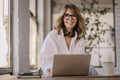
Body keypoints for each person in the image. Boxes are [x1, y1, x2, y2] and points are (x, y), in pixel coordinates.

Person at [40, 3, 98, 77]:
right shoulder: (52, 36)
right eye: (67, 15)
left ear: (77, 19)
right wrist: (52, 70)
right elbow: (45, 60)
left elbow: (79, 61)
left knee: (91, 68)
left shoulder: (80, 39)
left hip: (75, 74)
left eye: (73, 16)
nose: (70, 18)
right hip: (54, 75)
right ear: (62, 18)